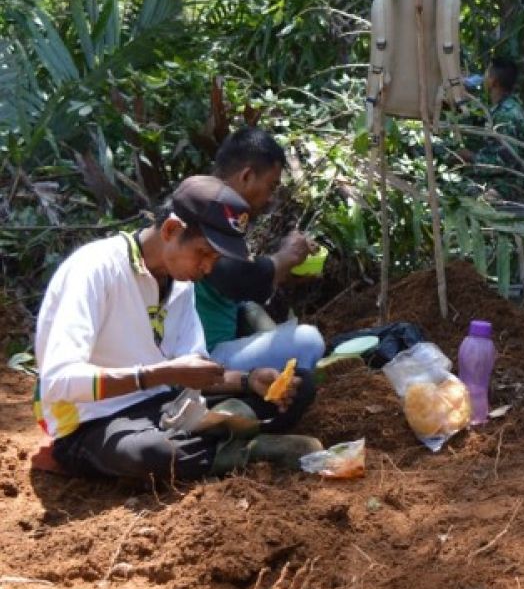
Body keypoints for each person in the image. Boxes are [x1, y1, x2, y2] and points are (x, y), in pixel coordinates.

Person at [34, 176, 321, 481]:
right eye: (204, 253)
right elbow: (58, 381)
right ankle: (249, 448)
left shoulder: (181, 284)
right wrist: (159, 374)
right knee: (150, 453)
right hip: (92, 420)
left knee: (301, 386)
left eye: (216, 258)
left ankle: (220, 441)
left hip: (164, 406)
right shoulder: (94, 269)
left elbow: (194, 371)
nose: (208, 268)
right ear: (171, 230)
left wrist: (249, 381)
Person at [195, 128, 326, 373]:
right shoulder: (206, 211)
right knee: (308, 340)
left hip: (220, 346)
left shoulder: (222, 213)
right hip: (201, 359)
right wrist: (285, 257)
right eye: (271, 186)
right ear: (246, 176)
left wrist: (284, 271)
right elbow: (233, 278)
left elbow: (235, 288)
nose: (270, 199)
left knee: (264, 318)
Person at [458, 57, 524, 200]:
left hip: (504, 186)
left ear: (493, 81)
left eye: (486, 73)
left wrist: (470, 157)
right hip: (496, 180)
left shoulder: (506, 114)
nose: (482, 77)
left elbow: (503, 162)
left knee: (455, 196)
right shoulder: (505, 106)